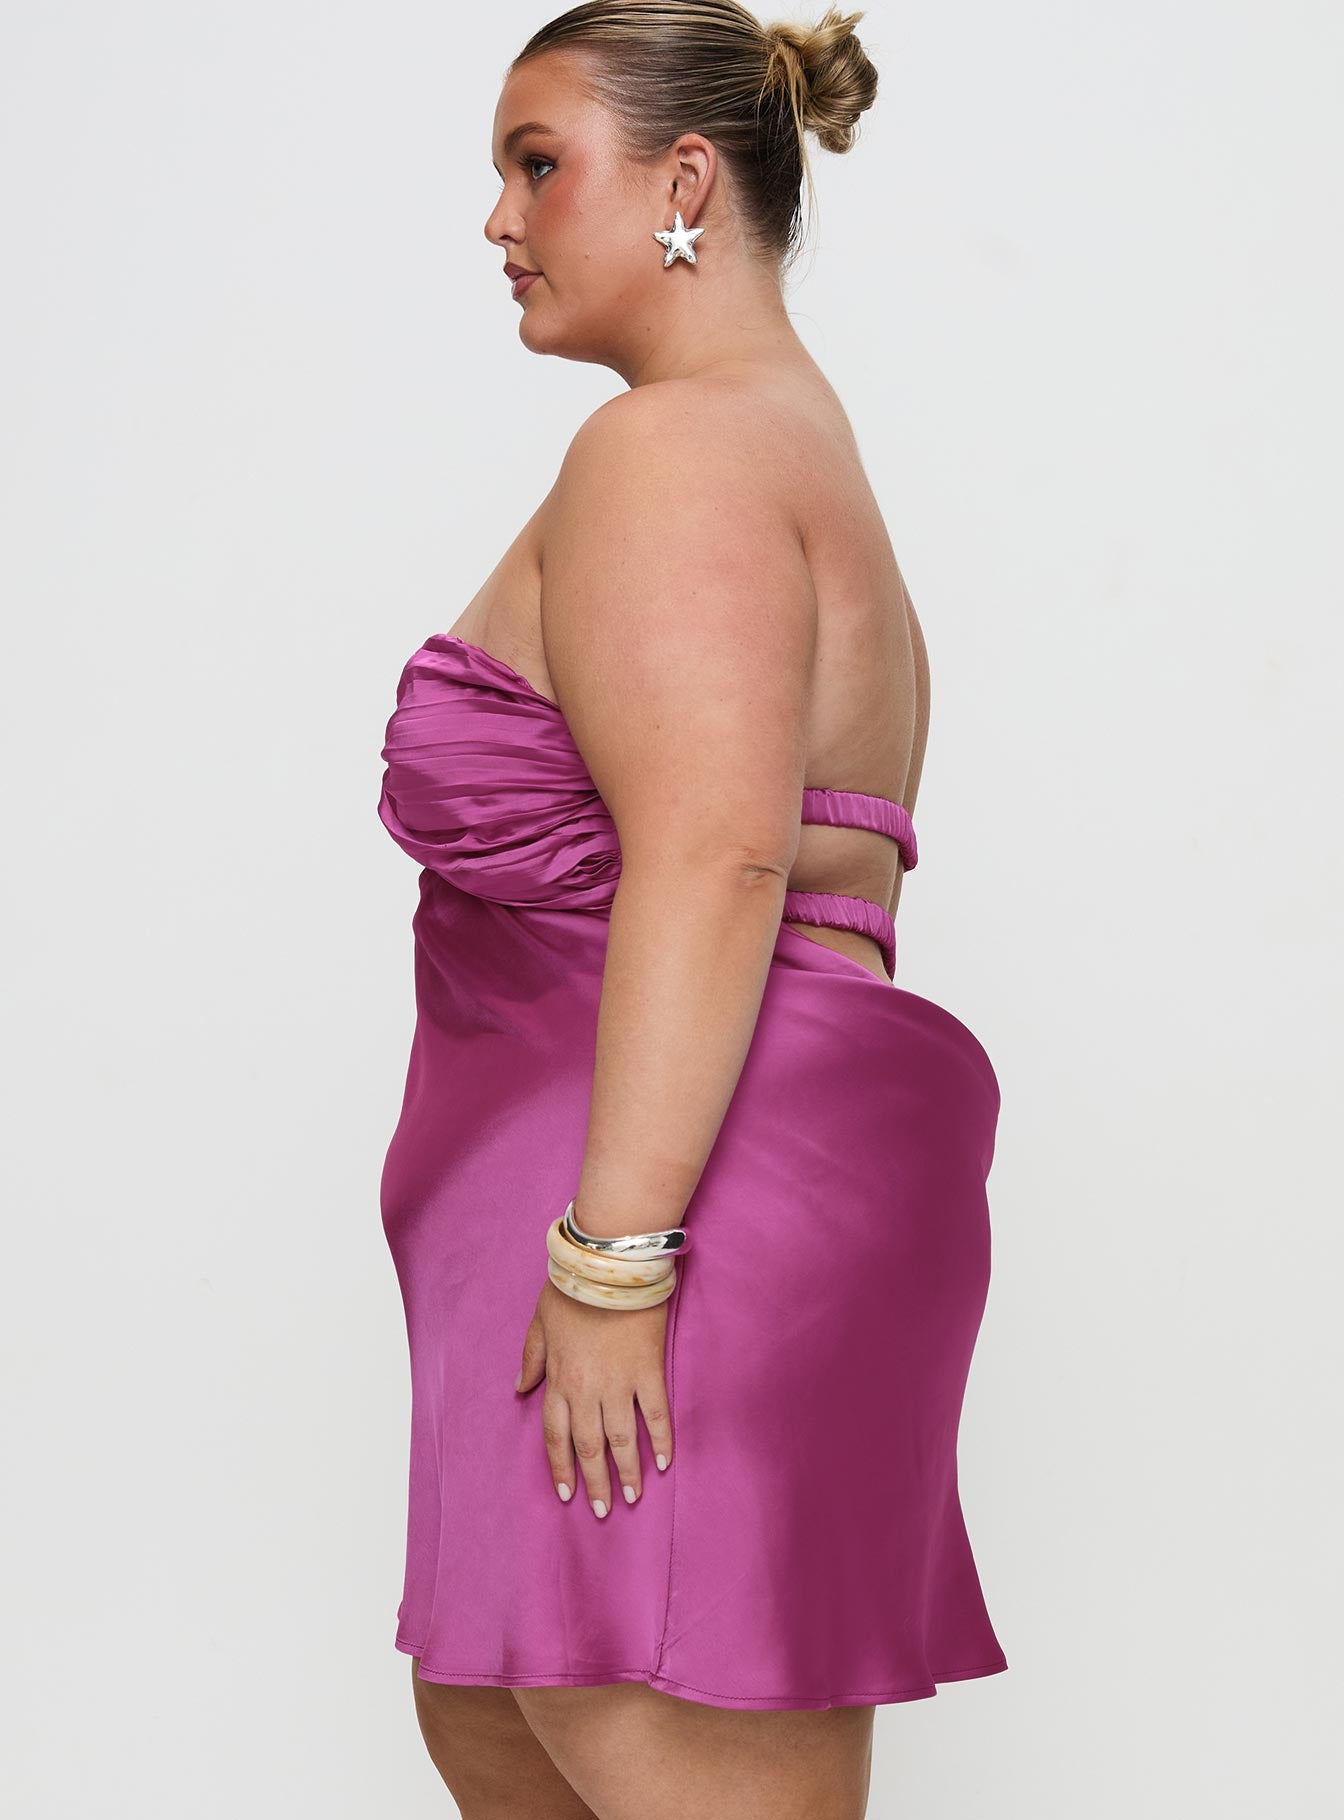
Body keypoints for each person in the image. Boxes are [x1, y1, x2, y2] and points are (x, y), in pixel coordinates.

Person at [375, 4, 1008, 1815]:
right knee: (521, 1731)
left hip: (656, 1228)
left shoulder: (678, 450)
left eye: (538, 164)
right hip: (650, 1208)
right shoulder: (785, 447)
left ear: (685, 181)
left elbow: (723, 855)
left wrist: (613, 1263)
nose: (499, 219)